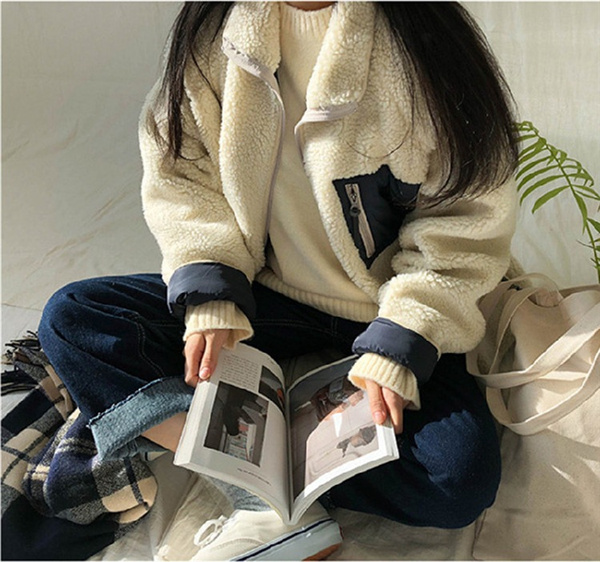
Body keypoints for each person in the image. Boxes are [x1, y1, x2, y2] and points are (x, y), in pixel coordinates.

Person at [37, 1, 519, 559]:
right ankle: (253, 492)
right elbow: (182, 170)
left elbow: (465, 221)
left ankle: (258, 452)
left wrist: (403, 343)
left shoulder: (424, 44)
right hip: (266, 299)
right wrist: (212, 293)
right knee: (75, 318)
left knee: (457, 480)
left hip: (392, 312)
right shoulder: (214, 33)